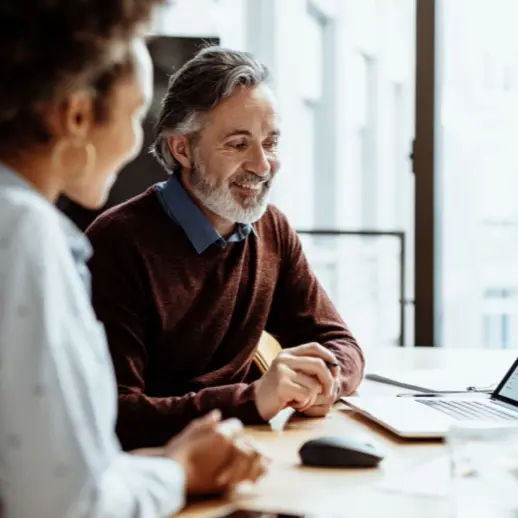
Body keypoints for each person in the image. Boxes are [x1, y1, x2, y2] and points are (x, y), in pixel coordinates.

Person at [0, 5, 266, 518]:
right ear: (77, 117)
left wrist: (163, 461)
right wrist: (180, 471)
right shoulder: (25, 235)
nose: (138, 142)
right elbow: (68, 505)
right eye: (135, 113)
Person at [86, 46, 365, 451]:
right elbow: (116, 415)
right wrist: (252, 400)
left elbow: (341, 342)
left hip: (246, 451)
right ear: (182, 149)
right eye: (238, 145)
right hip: (160, 473)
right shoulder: (116, 244)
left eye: (270, 143)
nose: (262, 165)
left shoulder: (271, 228)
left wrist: (325, 380)